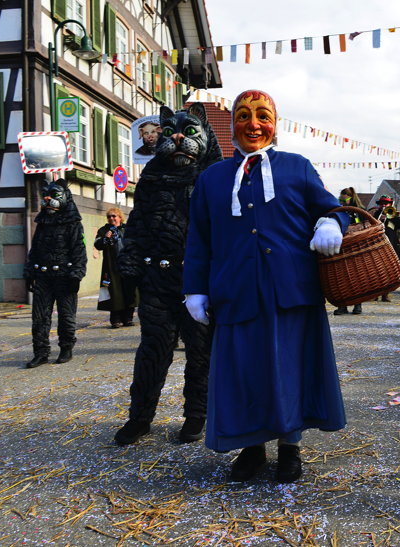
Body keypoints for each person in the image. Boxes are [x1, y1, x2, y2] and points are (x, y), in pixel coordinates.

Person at [183, 89, 348, 484]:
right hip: (235, 291)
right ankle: (252, 447)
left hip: (291, 290)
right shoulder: (211, 178)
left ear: (276, 122)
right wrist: (194, 288)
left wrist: (331, 223)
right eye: (243, 116)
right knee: (245, 372)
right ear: (232, 125)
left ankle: (290, 447)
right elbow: (199, 237)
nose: (253, 124)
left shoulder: (298, 167)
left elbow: (333, 208)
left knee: (290, 370)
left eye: (262, 115)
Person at [115, 103, 222, 446]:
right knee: (153, 348)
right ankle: (140, 416)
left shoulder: (214, 179)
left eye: (189, 131)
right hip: (158, 278)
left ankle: (196, 416)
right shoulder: (151, 179)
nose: (177, 136)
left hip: (200, 282)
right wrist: (130, 265)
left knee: (200, 351)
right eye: (169, 130)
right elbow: (138, 223)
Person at [23, 178, 87, 368]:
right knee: (39, 318)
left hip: (65, 277)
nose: (48, 199)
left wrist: (76, 275)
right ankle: (41, 352)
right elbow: (34, 250)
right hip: (43, 276)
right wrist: (29, 273)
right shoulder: (42, 224)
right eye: (46, 196)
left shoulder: (73, 224)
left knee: (66, 316)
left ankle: (66, 348)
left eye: (54, 195)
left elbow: (79, 252)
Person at [93, 207, 137, 328]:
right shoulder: (104, 230)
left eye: (114, 216)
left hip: (128, 265)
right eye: (109, 216)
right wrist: (105, 238)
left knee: (129, 292)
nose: (111, 218)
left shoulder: (127, 229)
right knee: (114, 293)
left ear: (120, 217)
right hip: (112, 266)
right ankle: (116, 319)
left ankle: (128, 318)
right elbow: (97, 245)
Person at [332, 188, 364, 315]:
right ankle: (342, 306)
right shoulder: (339, 210)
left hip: (356, 247)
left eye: (344, 199)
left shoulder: (359, 211)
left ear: (351, 198)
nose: (342, 202)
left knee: (357, 277)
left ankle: (358, 305)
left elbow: (364, 224)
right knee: (341, 278)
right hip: (342, 246)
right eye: (340, 199)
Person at [368, 195, 400, 302]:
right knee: (376, 270)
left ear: (390, 204)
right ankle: (376, 293)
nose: (384, 205)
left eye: (386, 203)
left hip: (390, 246)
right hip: (377, 246)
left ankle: (386, 294)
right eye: (382, 203)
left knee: (388, 271)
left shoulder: (394, 214)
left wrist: (392, 216)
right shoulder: (376, 213)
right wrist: (380, 218)